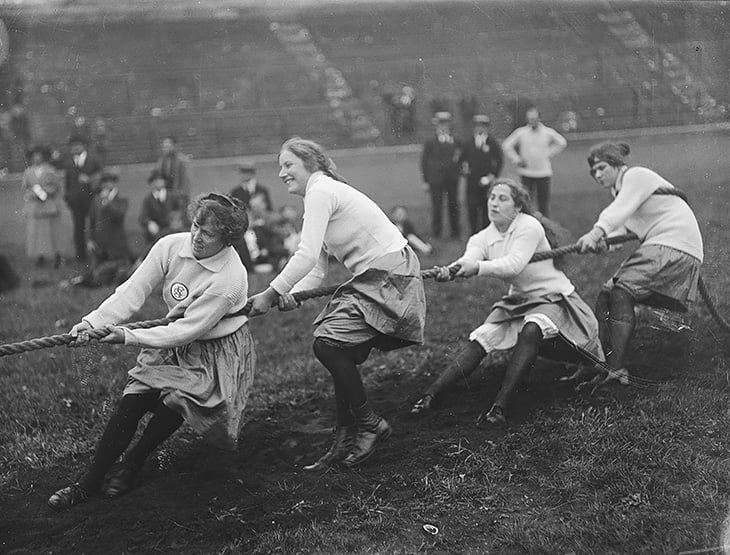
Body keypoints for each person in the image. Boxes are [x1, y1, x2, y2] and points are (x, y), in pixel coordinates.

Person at [47, 192, 253, 510]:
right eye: (196, 225)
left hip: (212, 347)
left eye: (208, 233)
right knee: (133, 403)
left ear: (227, 240)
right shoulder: (170, 246)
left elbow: (188, 331)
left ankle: (133, 463)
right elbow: (133, 290)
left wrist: (127, 337)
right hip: (170, 337)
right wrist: (92, 322)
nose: (197, 236)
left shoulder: (230, 278)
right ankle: (88, 482)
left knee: (176, 401)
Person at [247, 137, 426, 470]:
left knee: (328, 346)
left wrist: (270, 293)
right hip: (379, 276)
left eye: (288, 165)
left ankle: (369, 423)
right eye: (279, 167)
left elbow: (304, 255)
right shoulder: (319, 196)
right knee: (337, 348)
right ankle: (346, 435)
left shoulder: (321, 191)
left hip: (392, 275)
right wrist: (293, 294)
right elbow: (315, 269)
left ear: (311, 163)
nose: (282, 173)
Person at [411, 178, 604, 426]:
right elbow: (469, 259)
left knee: (532, 329)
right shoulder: (482, 237)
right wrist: (451, 270)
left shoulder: (529, 226)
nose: (494, 203)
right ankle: (430, 395)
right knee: (482, 337)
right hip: (519, 299)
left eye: (503, 199)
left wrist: (476, 267)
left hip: (553, 297)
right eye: (492, 197)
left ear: (518, 207)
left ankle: (500, 405)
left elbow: (514, 264)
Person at [576, 141, 703, 380]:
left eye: (602, 167)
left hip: (675, 245)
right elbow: (620, 231)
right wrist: (603, 242)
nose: (598, 174)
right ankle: (602, 361)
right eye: (594, 172)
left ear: (616, 164)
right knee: (606, 295)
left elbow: (617, 212)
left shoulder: (636, 176)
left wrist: (596, 233)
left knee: (622, 290)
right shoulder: (625, 193)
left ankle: (616, 369)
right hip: (661, 246)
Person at [66, 170, 132, 287]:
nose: (107, 185)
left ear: (115, 183)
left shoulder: (121, 198)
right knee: (96, 273)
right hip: (100, 243)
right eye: (104, 182)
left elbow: (118, 216)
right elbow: (92, 221)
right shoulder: (97, 199)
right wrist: (90, 239)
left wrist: (107, 203)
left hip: (116, 244)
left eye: (110, 182)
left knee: (117, 270)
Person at [502, 107, 566, 217]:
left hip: (543, 173)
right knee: (526, 202)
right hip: (526, 173)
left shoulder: (547, 132)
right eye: (530, 119)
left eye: (535, 118)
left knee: (543, 204)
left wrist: (548, 153)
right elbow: (506, 145)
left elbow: (562, 142)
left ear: (539, 118)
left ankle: (544, 227)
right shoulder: (521, 133)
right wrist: (517, 159)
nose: (532, 121)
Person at [54, 133, 104, 262]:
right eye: (73, 146)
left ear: (84, 146)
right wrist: (68, 197)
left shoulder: (93, 160)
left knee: (95, 226)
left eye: (78, 145)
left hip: (91, 198)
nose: (75, 148)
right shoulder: (69, 162)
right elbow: (67, 182)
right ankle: (81, 256)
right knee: (78, 228)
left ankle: (98, 254)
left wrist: (89, 180)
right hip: (75, 201)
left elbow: (101, 177)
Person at [460, 114, 504, 234]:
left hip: (487, 181)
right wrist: (464, 170)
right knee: (472, 207)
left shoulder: (492, 142)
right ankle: (473, 232)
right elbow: (461, 160)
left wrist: (493, 175)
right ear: (474, 128)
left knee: (487, 207)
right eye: (478, 126)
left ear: (487, 128)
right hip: (472, 181)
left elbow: (499, 160)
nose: (480, 129)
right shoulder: (468, 143)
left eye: (483, 126)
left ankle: (487, 231)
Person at [420, 111, 462, 239]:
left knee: (453, 205)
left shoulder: (456, 141)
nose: (443, 127)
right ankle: (437, 233)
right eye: (440, 124)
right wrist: (426, 180)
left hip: (452, 179)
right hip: (436, 180)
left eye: (446, 124)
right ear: (436, 126)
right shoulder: (430, 142)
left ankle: (455, 232)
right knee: (437, 207)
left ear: (449, 125)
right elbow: (424, 162)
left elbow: (461, 159)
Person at [21, 144, 63, 268]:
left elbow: (56, 186)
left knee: (50, 232)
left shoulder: (50, 170)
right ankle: (40, 256)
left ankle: (56, 256)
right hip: (34, 206)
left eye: (39, 156)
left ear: (44, 157)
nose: (37, 158)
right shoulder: (28, 171)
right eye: (34, 156)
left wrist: (45, 192)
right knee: (36, 232)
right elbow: (25, 187)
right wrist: (32, 193)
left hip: (47, 204)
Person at [139, 169, 179, 246]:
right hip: (156, 233)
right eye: (155, 181)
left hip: (172, 230)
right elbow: (143, 217)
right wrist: (149, 223)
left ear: (165, 182)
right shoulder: (148, 199)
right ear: (151, 183)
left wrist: (175, 220)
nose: (158, 183)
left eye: (160, 180)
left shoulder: (172, 196)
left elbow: (179, 210)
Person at [157, 135, 191, 212]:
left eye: (168, 146)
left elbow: (185, 180)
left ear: (175, 146)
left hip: (179, 195)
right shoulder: (162, 161)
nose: (165, 148)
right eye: (164, 146)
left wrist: (182, 194)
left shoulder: (182, 160)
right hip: (167, 195)